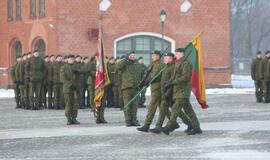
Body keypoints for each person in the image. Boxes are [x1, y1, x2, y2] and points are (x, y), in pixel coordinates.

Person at [161, 48, 202, 135]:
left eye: (177, 53)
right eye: (175, 53)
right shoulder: (178, 63)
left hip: (183, 90)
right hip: (178, 91)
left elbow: (185, 77)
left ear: (182, 54)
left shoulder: (186, 64)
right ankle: (196, 127)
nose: (176, 55)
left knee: (175, 108)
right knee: (188, 110)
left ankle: (168, 127)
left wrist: (173, 82)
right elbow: (175, 76)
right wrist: (170, 82)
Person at [150, 52, 192, 134]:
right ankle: (159, 126)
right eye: (165, 58)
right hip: (165, 91)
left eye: (167, 58)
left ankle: (187, 124)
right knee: (166, 109)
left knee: (176, 110)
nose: (165, 60)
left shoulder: (173, 67)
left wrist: (167, 93)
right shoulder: (166, 67)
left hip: (171, 92)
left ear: (172, 59)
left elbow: (172, 81)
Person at [137, 51, 164, 132]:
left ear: (159, 56)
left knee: (152, 106)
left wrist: (146, 82)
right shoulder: (153, 64)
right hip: (154, 88)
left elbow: (155, 76)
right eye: (152, 55)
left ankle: (147, 125)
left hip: (158, 88)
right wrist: (144, 81)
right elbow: (148, 74)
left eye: (156, 55)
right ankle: (173, 123)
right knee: (163, 108)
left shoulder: (159, 65)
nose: (153, 56)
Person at [116, 51, 143, 126]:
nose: (133, 56)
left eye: (134, 55)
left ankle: (134, 120)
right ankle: (128, 120)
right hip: (127, 87)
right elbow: (118, 66)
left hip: (136, 87)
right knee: (127, 105)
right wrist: (125, 59)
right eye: (131, 55)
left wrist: (142, 83)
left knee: (135, 105)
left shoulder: (137, 64)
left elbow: (142, 74)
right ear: (128, 56)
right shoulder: (124, 64)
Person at [60, 54, 80, 125]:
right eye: (70, 59)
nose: (72, 60)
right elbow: (63, 78)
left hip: (75, 89)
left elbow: (78, 78)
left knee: (75, 104)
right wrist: (70, 85)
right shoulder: (64, 67)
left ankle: (74, 118)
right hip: (67, 89)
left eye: (73, 59)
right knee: (68, 104)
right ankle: (68, 118)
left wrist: (78, 74)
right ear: (67, 59)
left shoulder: (76, 67)